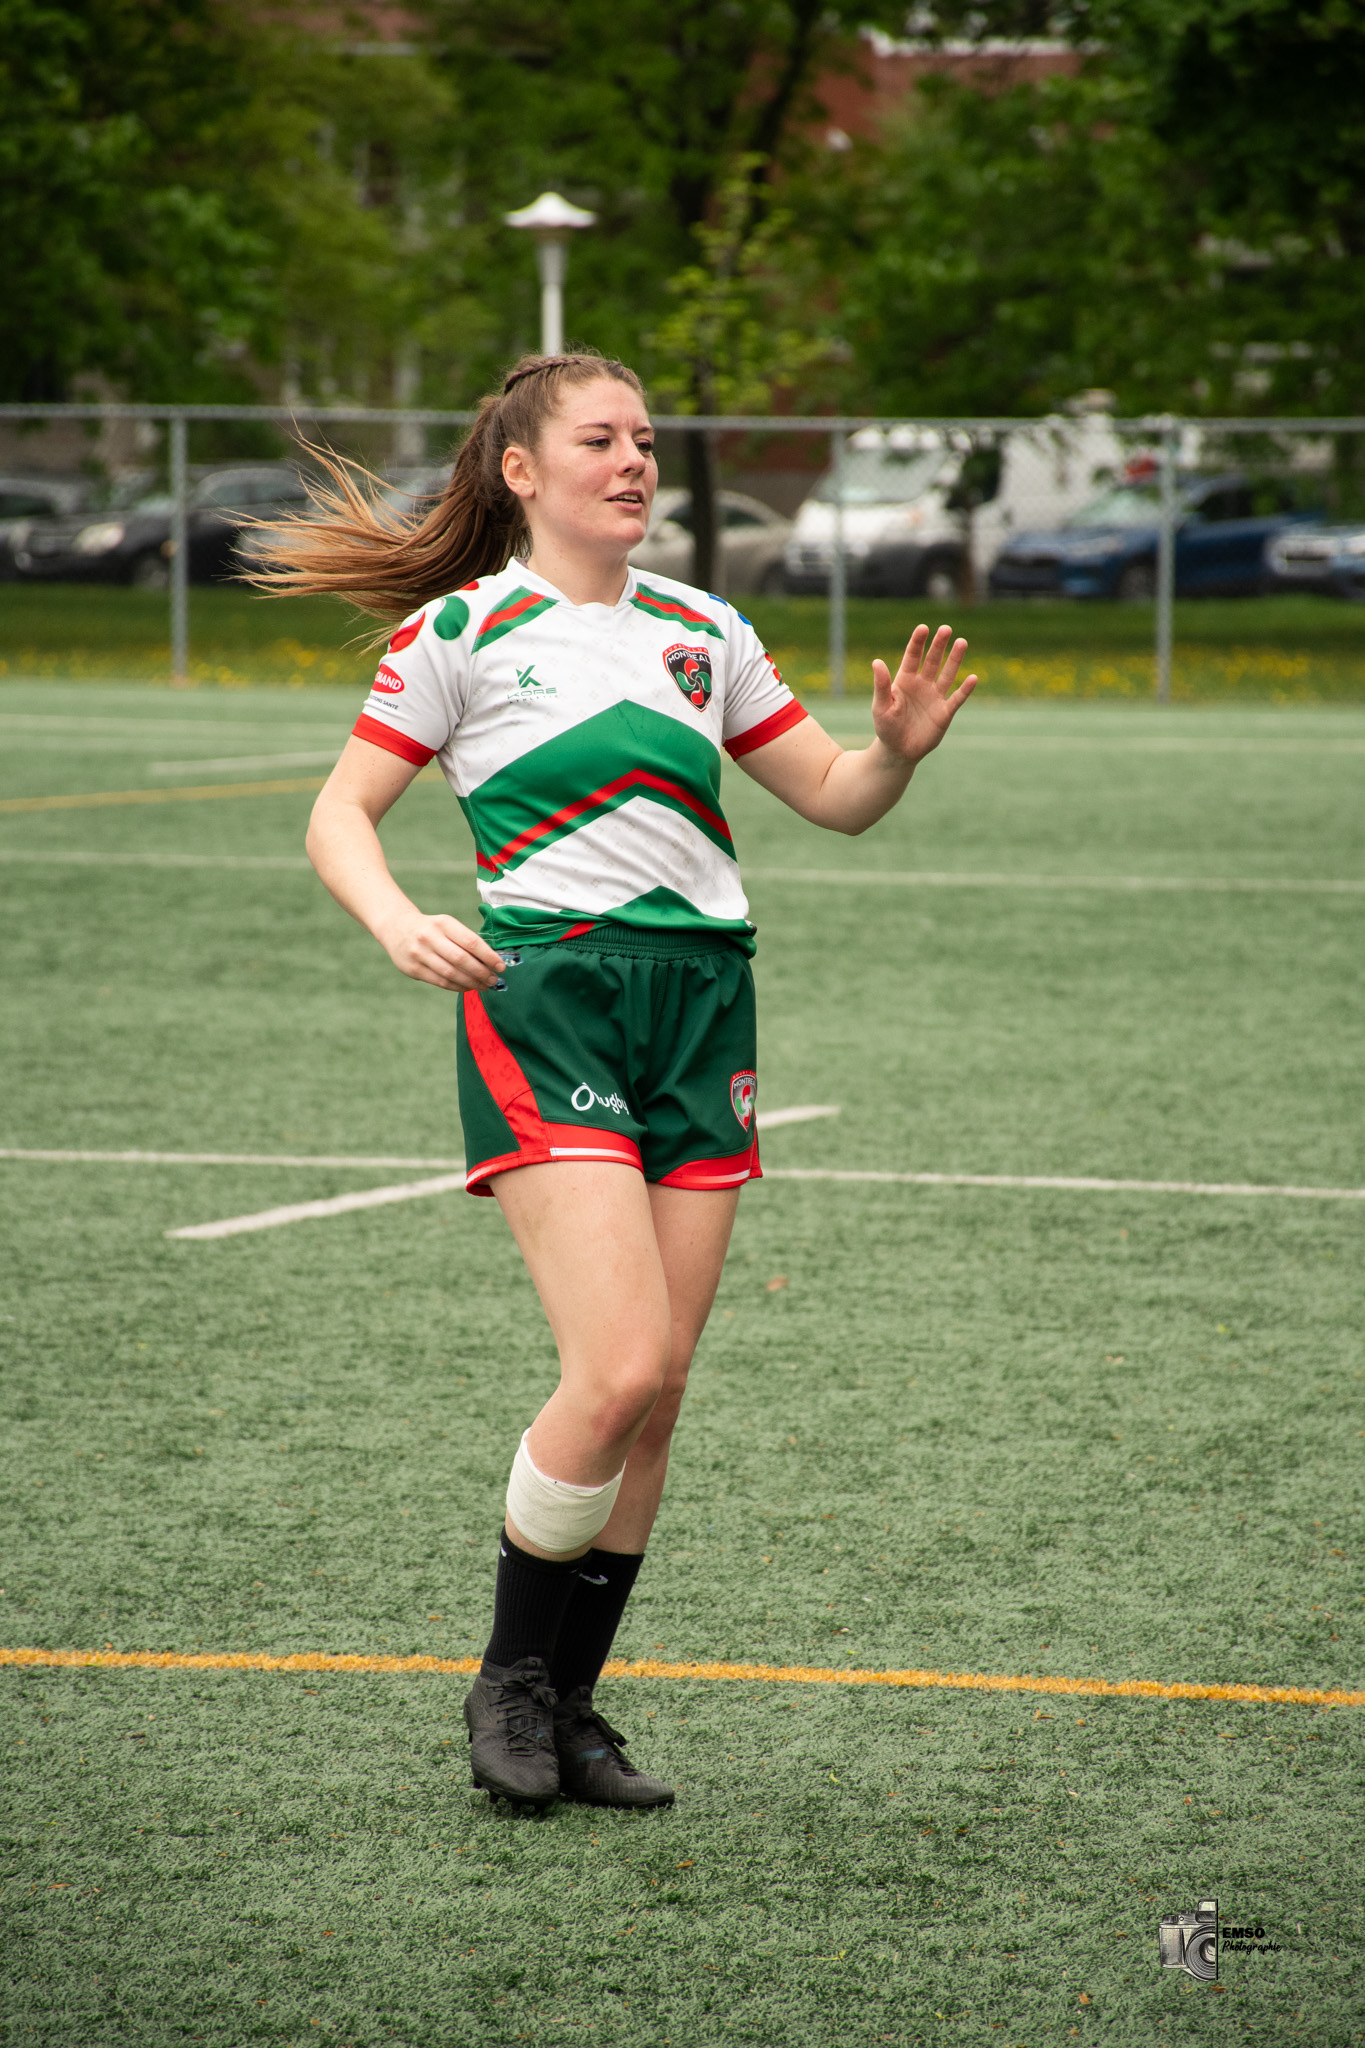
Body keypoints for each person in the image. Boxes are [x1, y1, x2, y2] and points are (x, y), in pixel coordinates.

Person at [248, 350, 976, 1812]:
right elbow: (340, 817)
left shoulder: (706, 629)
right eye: (603, 439)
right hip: (551, 998)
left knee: (663, 1394)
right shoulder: (459, 631)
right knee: (618, 1366)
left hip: (704, 1006)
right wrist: (401, 921)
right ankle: (509, 1680)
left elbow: (830, 799)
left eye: (646, 439)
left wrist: (890, 755)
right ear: (522, 470)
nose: (635, 461)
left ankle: (574, 1713)